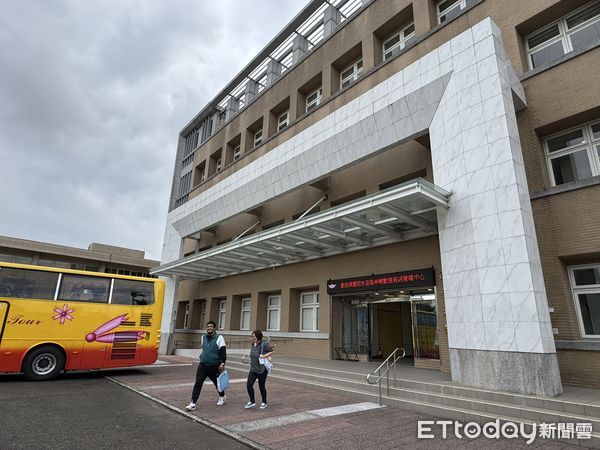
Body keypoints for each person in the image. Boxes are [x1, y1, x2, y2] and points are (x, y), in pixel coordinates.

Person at [185, 321, 227, 411]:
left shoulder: (219, 338)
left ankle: (222, 396)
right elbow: (204, 348)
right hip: (203, 365)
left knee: (217, 383)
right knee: (198, 383)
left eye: (211, 326)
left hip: (214, 366)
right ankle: (193, 403)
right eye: (208, 326)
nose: (209, 328)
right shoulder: (203, 337)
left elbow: (223, 351)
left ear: (214, 328)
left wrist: (222, 363)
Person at [244, 329, 274, 410]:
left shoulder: (264, 344)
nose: (253, 338)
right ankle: (252, 401)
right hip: (253, 368)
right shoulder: (252, 344)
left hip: (262, 369)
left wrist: (264, 356)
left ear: (258, 336)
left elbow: (271, 351)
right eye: (252, 336)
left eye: (254, 336)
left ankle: (264, 402)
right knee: (249, 385)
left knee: (261, 386)